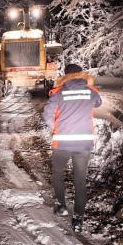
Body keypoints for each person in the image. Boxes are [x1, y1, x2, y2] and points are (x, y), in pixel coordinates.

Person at [42, 63, 102, 232]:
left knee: (57, 173)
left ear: (65, 76)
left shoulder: (58, 93)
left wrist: (55, 128)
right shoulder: (92, 92)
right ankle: (78, 220)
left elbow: (47, 114)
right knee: (80, 181)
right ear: (81, 75)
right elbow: (97, 104)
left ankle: (61, 205)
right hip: (84, 143)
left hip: (62, 142)